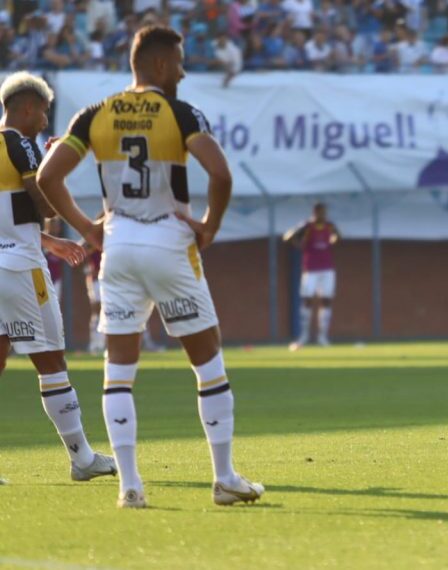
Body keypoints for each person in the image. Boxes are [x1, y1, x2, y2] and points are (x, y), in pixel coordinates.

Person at [37, 25, 264, 508]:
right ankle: (223, 478)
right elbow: (220, 173)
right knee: (208, 365)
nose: (182, 72)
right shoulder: (180, 113)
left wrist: (88, 228)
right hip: (168, 243)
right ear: (160, 64)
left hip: (116, 248)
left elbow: (47, 176)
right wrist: (210, 225)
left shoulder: (94, 115)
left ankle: (130, 486)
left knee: (117, 371)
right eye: (179, 62)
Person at [0, 71, 117, 483]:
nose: (46, 120)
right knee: (51, 361)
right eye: (45, 111)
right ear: (27, 107)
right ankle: (82, 458)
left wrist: (48, 243)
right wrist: (48, 166)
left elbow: (10, 216)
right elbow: (41, 203)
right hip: (19, 271)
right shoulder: (18, 142)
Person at [284, 203, 340, 350]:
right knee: (307, 300)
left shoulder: (329, 225)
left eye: (324, 212)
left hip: (327, 269)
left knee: (326, 300)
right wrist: (300, 245)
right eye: (320, 212)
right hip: (310, 269)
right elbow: (287, 237)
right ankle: (304, 335)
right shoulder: (307, 226)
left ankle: (322, 336)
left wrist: (332, 241)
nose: (323, 214)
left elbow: (338, 237)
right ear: (315, 212)